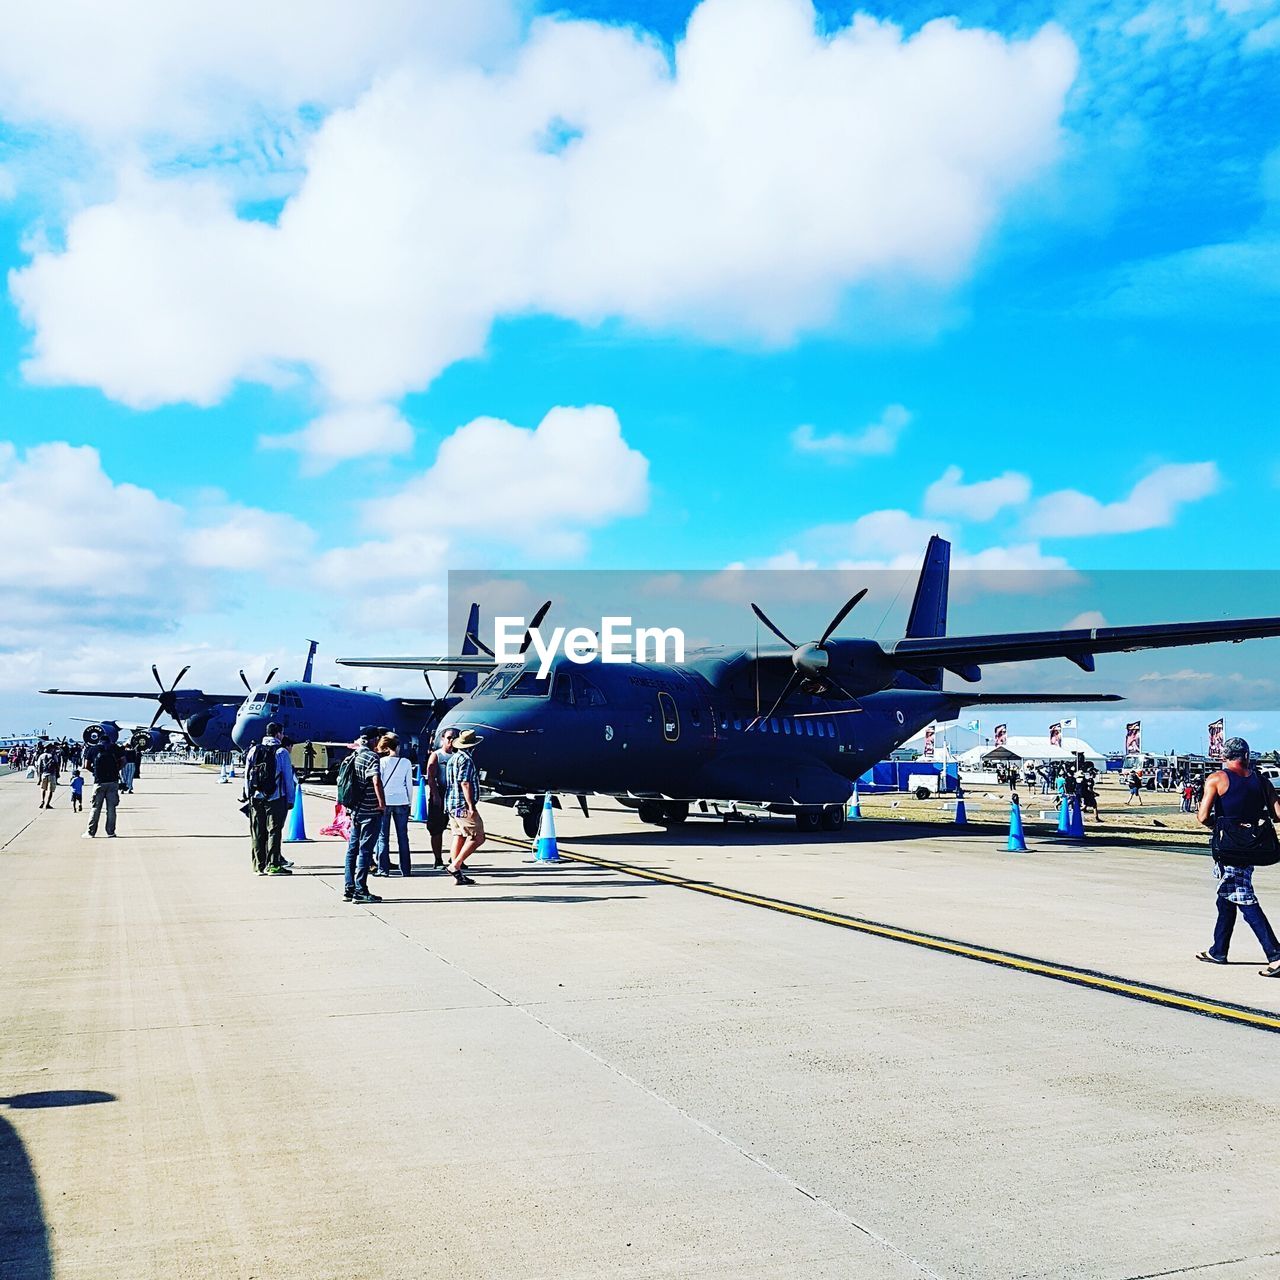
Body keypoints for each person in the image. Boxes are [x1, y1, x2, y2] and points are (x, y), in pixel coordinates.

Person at [1195, 737, 1280, 974]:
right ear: (1247, 755)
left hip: (1229, 848)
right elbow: (1278, 814)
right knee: (1227, 896)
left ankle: (1275, 954)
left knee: (1243, 896)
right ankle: (1218, 950)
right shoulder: (1262, 782)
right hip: (1252, 846)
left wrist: (1221, 828)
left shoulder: (1217, 779)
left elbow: (1202, 816)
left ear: (1224, 757)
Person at [243, 721, 296, 876]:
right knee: (274, 830)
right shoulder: (281, 752)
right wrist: (290, 799)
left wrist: (247, 794)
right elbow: (287, 778)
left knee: (257, 831)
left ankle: (258, 866)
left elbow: (247, 774)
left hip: (256, 797)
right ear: (278, 733)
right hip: (275, 797)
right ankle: (273, 864)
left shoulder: (254, 750)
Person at [343, 727, 386, 904]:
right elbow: (376, 780)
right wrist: (381, 803)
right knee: (365, 851)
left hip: (355, 810)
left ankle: (349, 888)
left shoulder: (352, 756)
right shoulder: (371, 757)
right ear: (374, 739)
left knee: (352, 850)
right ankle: (361, 890)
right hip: (370, 810)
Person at [444, 728, 484, 885]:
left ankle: (457, 873)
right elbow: (465, 783)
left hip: (452, 804)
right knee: (478, 836)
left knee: (459, 835)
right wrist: (471, 806)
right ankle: (456, 865)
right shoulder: (466, 760)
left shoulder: (453, 759)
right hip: (462, 805)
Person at [374, 732, 413, 877]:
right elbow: (409, 785)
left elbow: (379, 782)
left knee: (383, 837)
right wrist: (409, 803)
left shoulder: (381, 762)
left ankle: (383, 869)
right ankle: (406, 869)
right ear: (397, 746)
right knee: (403, 836)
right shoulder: (406, 762)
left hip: (385, 801)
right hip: (402, 800)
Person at [82, 733, 123, 838]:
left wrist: (95, 772)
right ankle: (111, 832)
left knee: (95, 808)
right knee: (111, 809)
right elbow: (124, 761)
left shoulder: (93, 749)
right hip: (113, 782)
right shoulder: (115, 748)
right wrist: (116, 770)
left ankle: (91, 832)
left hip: (99, 782)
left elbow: (86, 765)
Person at [424, 730, 455, 869]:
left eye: (454, 738)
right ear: (443, 739)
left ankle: (455, 857)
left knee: (458, 828)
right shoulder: (437, 755)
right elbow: (431, 777)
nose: (451, 740)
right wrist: (436, 795)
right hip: (440, 792)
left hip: (454, 794)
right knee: (437, 828)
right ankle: (438, 859)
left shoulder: (457, 756)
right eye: (448, 738)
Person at [36, 743, 60, 809]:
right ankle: (48, 804)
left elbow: (39, 767)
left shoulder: (41, 756)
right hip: (52, 774)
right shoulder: (53, 756)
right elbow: (57, 765)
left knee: (43, 788)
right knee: (51, 790)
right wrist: (58, 774)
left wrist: (39, 777)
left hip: (44, 774)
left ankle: (42, 800)